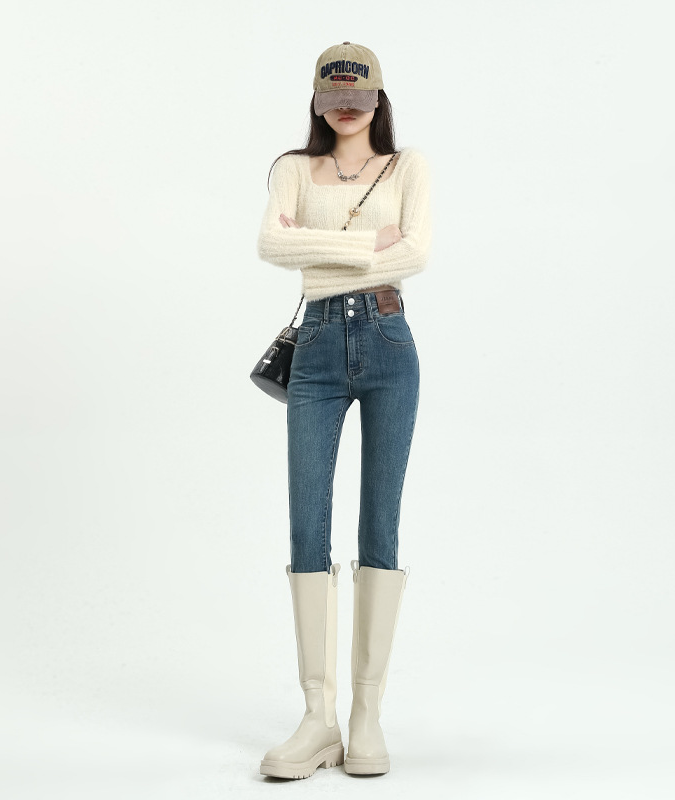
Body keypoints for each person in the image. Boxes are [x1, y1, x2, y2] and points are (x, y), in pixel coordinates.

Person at [255, 41, 431, 780]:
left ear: (378, 99)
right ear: (318, 102)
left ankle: (365, 715)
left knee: (380, 519)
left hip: (390, 341)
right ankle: (316, 716)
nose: (346, 110)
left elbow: (415, 255)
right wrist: (366, 245)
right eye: (333, 101)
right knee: (308, 518)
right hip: (318, 347)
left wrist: (320, 250)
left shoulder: (407, 166)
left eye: (358, 99)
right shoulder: (292, 169)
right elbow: (271, 244)